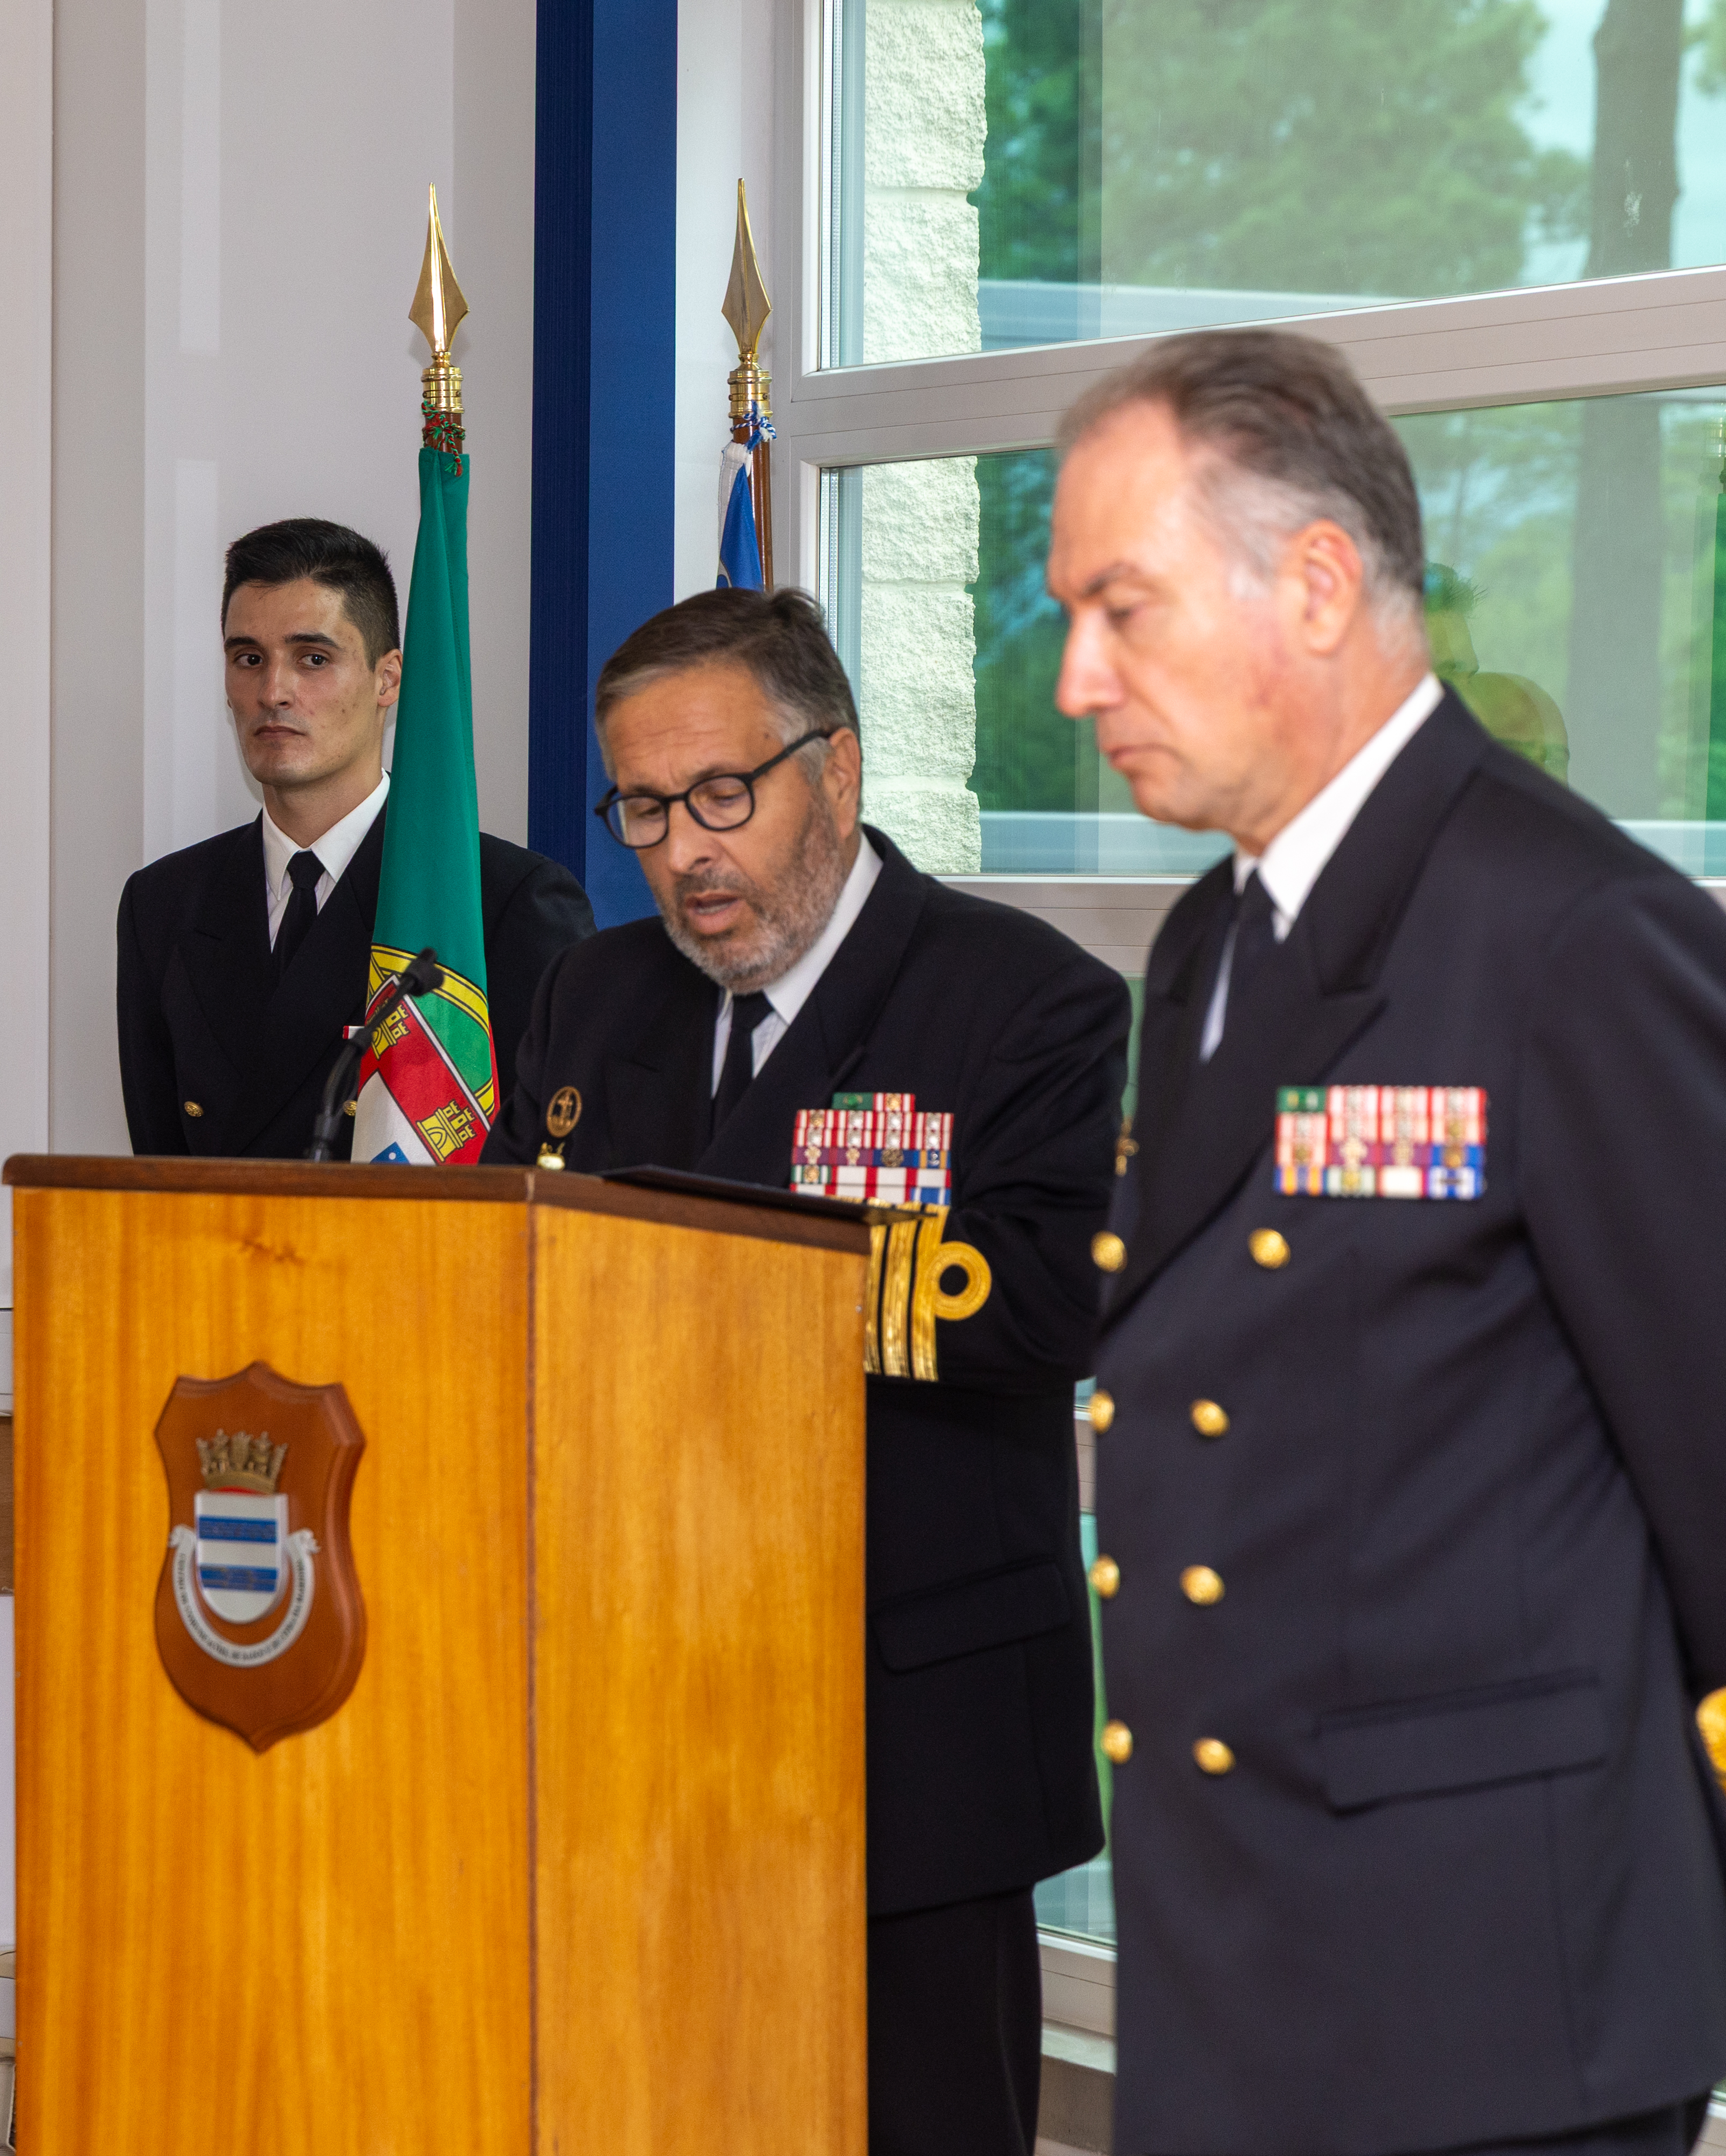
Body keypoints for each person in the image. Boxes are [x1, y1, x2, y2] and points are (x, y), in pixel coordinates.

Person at [1051, 328, 1726, 2156]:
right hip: (1242, 1964)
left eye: (1121, 609)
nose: (1071, 678)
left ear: (1319, 582)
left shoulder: (1572, 934)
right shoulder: (1206, 948)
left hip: (1488, 2008)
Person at [489, 587, 1131, 2156]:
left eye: (723, 794)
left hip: (903, 1709)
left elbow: (1048, 1303)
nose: (685, 852)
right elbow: (515, 1261)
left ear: (835, 770)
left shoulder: (1023, 999)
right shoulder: (598, 989)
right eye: (643, 809)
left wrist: (724, 1289)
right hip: (639, 1695)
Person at [116, 519, 593, 1157]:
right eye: (248, 658)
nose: (273, 691)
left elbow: (551, 1175)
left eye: (313, 659)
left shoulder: (500, 903)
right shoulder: (164, 905)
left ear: (388, 679)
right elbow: (161, 1176)